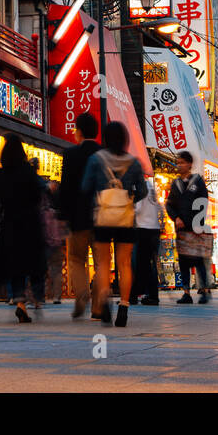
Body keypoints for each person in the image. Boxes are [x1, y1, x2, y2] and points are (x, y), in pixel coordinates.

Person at [82, 121, 148, 327]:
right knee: (125, 264)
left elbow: (85, 187)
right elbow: (144, 191)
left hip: (102, 217)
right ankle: (124, 307)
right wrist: (128, 199)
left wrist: (100, 198)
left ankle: (104, 301)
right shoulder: (134, 163)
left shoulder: (95, 160)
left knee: (102, 264)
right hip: (126, 219)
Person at [0, 135, 47, 323]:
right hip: (30, 224)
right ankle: (37, 296)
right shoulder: (28, 172)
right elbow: (41, 192)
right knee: (33, 262)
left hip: (10, 225)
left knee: (15, 265)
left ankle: (20, 303)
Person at [58, 112, 102, 319]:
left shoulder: (71, 154)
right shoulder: (105, 155)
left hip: (78, 218)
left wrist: (63, 214)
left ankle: (82, 294)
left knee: (77, 259)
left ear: (80, 131)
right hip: (103, 218)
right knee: (102, 261)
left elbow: (65, 188)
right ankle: (99, 305)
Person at [166, 151, 211, 304]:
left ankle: (204, 291)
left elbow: (204, 201)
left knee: (199, 260)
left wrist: (198, 222)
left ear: (190, 164)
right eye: (178, 163)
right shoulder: (175, 184)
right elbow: (169, 205)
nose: (180, 166)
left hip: (196, 228)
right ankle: (186, 293)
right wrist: (176, 218)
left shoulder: (197, 181)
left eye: (182, 163)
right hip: (181, 230)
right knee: (183, 261)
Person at [130, 173, 165, 305]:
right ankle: (151, 295)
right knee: (149, 265)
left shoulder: (140, 187)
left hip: (143, 228)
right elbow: (159, 208)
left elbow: (137, 209)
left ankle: (135, 295)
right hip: (154, 229)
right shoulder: (150, 185)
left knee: (137, 264)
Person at [41, 181, 66, 304]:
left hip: (44, 243)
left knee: (43, 270)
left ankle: (45, 294)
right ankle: (57, 296)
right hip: (57, 243)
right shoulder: (59, 213)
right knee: (56, 271)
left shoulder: (42, 212)